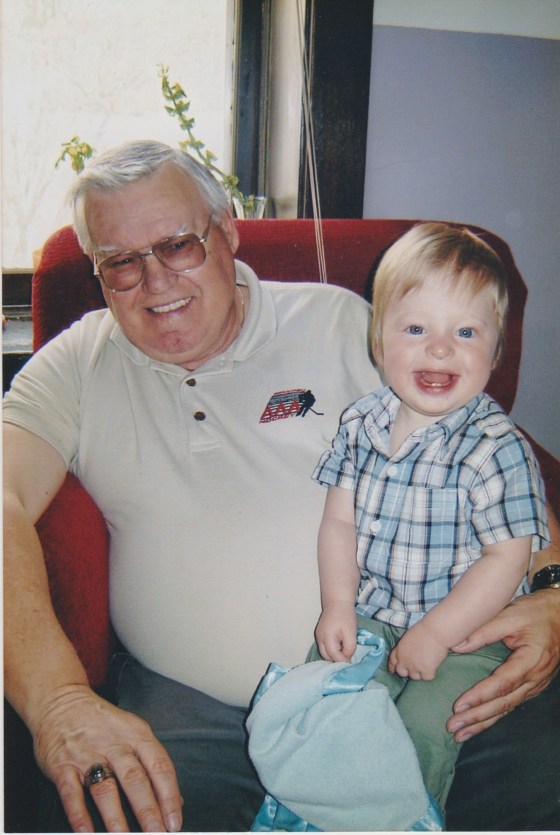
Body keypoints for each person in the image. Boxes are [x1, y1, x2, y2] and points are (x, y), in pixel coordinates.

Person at [2, 140, 560, 833]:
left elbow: (491, 449)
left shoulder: (336, 323)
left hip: (421, 654)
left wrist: (550, 591)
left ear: (227, 231)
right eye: (121, 261)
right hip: (200, 715)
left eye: (178, 244)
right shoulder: (78, 365)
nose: (155, 281)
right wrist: (58, 701)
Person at [311, 223, 549, 815]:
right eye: (415, 329)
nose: (439, 349)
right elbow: (339, 523)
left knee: (422, 727)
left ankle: (400, 819)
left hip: (468, 632)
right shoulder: (360, 424)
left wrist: (439, 635)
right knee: (322, 703)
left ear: (495, 352)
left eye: (466, 332)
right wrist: (338, 605)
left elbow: (508, 557)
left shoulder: (496, 447)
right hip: (373, 612)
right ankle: (312, 814)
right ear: (379, 341)